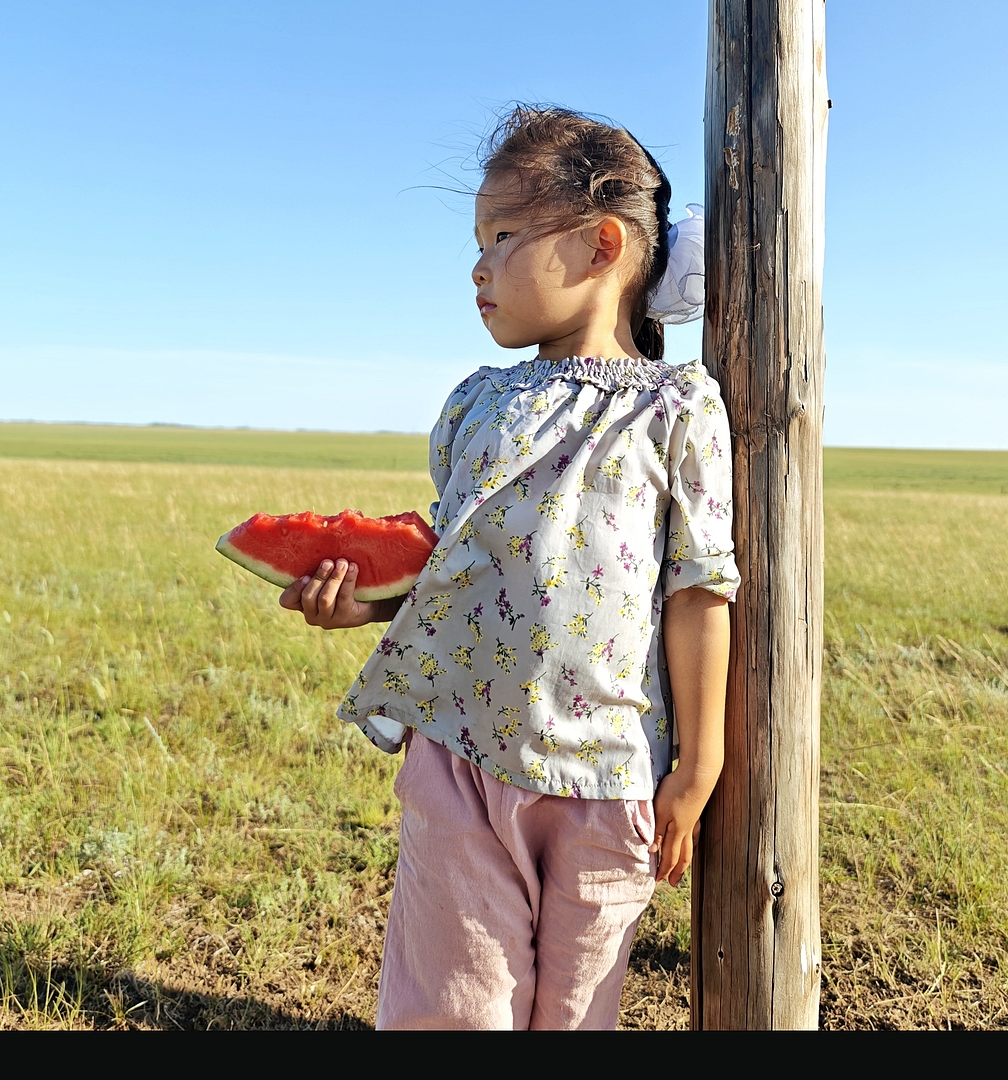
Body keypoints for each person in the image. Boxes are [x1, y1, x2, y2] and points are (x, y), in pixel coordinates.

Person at [278, 105, 738, 1030]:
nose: (478, 266)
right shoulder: (474, 404)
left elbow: (698, 588)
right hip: (461, 754)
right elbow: (448, 567)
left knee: (578, 1012)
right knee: (449, 1007)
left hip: (611, 775)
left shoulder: (677, 409)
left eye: (502, 235)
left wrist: (701, 761)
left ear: (603, 243)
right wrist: (362, 604)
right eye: (477, 240)